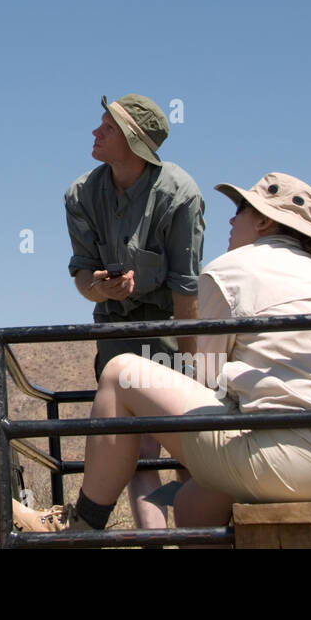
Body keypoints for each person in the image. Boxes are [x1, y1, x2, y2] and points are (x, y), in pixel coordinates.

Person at [15, 172, 311, 536]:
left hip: (287, 464)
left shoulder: (232, 270)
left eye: (241, 208)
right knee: (193, 504)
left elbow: (208, 382)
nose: (230, 218)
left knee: (120, 374)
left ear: (262, 221)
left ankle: (80, 525)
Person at [63, 94, 205, 531]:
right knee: (139, 450)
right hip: (115, 332)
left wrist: (194, 367)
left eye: (106, 127)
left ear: (132, 140)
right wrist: (99, 288)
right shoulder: (82, 194)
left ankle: (198, 538)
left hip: (169, 329)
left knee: (190, 447)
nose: (95, 132)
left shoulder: (180, 195)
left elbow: (186, 292)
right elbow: (83, 278)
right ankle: (153, 540)